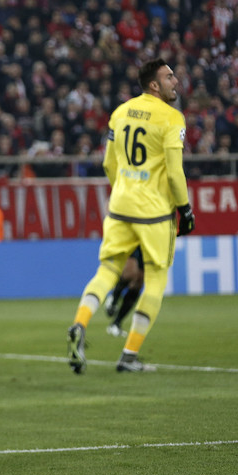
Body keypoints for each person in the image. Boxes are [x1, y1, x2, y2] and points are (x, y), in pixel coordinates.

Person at [66, 58, 195, 374]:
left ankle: (79, 324)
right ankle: (129, 356)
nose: (175, 81)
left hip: (120, 206)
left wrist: (124, 190)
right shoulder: (171, 118)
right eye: (169, 77)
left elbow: (109, 164)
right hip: (154, 212)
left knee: (108, 270)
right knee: (155, 278)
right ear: (154, 84)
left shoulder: (120, 113)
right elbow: (175, 173)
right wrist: (185, 209)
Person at [103, 247, 144, 337]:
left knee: (138, 284)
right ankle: (114, 298)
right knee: (130, 273)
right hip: (134, 238)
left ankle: (116, 323)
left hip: (149, 241)